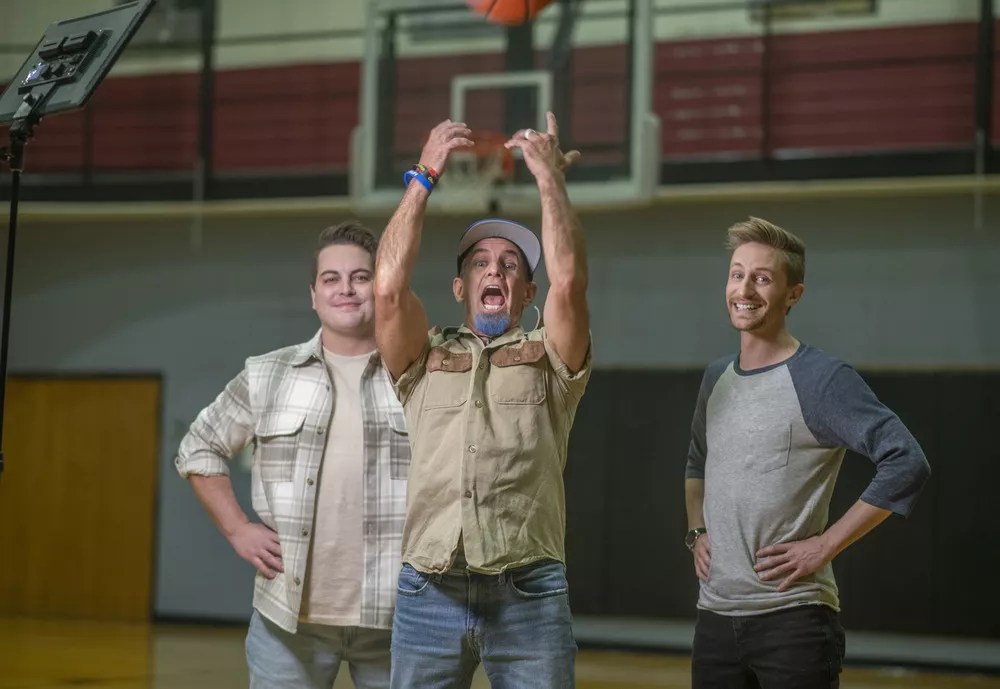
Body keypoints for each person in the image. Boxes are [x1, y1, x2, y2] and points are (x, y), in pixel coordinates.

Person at [373, 112, 591, 689]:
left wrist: (549, 180)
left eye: (510, 264)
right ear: (460, 287)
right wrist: (423, 176)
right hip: (428, 589)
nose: (494, 269)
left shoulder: (551, 355)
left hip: (529, 591)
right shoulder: (421, 356)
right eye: (480, 263)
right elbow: (387, 288)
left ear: (527, 291)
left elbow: (571, 283)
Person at [684, 217, 932, 689]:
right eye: (737, 274)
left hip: (792, 621)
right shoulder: (716, 378)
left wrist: (824, 545)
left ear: (793, 294)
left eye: (762, 278)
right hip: (714, 620)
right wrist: (696, 530)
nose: (744, 289)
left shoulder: (821, 379)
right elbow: (698, 461)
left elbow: (906, 461)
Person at [175, 222, 409, 689]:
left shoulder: (417, 373)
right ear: (313, 296)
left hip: (399, 617)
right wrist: (237, 528)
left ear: (380, 288)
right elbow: (198, 446)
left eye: (361, 277)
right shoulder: (268, 374)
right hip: (287, 621)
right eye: (331, 278)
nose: (346, 289)